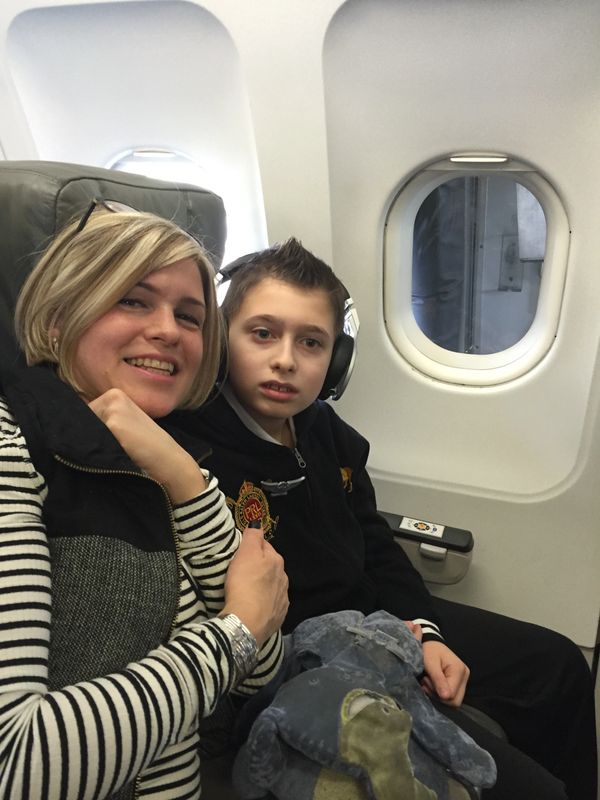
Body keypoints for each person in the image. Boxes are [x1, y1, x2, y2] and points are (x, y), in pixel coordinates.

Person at [185, 237, 598, 800]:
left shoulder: (325, 431)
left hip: (378, 616)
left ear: (336, 361)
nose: (285, 359)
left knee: (556, 664)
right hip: (310, 654)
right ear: (221, 341)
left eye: (311, 342)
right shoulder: (196, 452)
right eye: (262, 333)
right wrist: (386, 652)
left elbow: (374, 541)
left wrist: (423, 632)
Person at [0, 203, 288, 800]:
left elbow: (265, 664)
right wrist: (232, 635)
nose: (168, 330)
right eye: (133, 299)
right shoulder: (14, 447)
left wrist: (183, 477)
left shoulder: (173, 458)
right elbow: (17, 766)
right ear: (58, 318)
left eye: (190, 315)